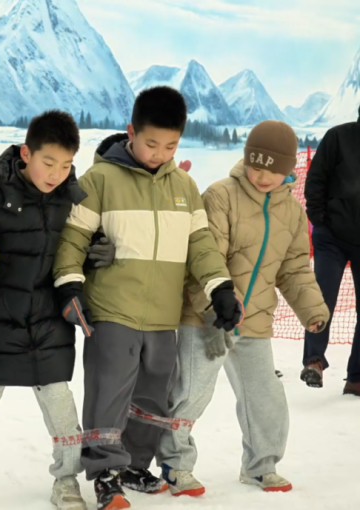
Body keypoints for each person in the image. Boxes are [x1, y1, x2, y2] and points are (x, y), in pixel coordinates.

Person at [52, 86, 241, 510]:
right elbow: (73, 239)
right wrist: (69, 285)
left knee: (154, 394)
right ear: (131, 132)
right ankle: (105, 472)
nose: (160, 154)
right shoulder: (100, 180)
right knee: (109, 391)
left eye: (170, 146)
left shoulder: (185, 187)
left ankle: (135, 464)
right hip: (112, 310)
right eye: (151, 143)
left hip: (162, 315)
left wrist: (221, 288)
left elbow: (202, 246)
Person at [0, 111, 110, 510]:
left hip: (50, 324)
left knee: (61, 407)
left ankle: (66, 479)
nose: (56, 174)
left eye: (66, 165)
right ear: (26, 154)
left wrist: (97, 253)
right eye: (48, 162)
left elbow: (76, 252)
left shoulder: (73, 202)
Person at [156, 121, 330, 496]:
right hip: (207, 317)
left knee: (264, 395)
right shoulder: (221, 196)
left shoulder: (292, 212)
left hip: (256, 320)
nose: (262, 176)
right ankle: (175, 464)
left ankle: (260, 465)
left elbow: (294, 268)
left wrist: (312, 309)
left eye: (272, 170)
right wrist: (215, 308)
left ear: (289, 170)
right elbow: (204, 258)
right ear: (246, 159)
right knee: (192, 392)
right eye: (255, 166)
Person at [302, 105, 360, 396]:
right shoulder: (338, 136)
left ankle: (356, 379)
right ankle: (314, 361)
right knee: (321, 299)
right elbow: (316, 180)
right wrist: (320, 221)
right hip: (331, 237)